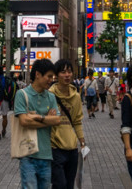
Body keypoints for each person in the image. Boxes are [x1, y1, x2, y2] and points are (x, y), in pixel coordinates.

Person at [15, 59, 64, 189]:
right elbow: (24, 121)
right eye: (48, 76)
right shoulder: (22, 94)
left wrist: (37, 117)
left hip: (46, 155)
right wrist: (48, 119)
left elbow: (58, 120)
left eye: (52, 77)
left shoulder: (51, 97)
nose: (51, 80)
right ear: (37, 74)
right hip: (27, 154)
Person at [49, 59, 85, 189]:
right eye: (63, 72)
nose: (67, 75)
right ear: (56, 75)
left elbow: (77, 122)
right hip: (55, 147)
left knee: (69, 185)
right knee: (60, 184)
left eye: (69, 72)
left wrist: (82, 142)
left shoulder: (75, 97)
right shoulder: (49, 95)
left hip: (72, 148)